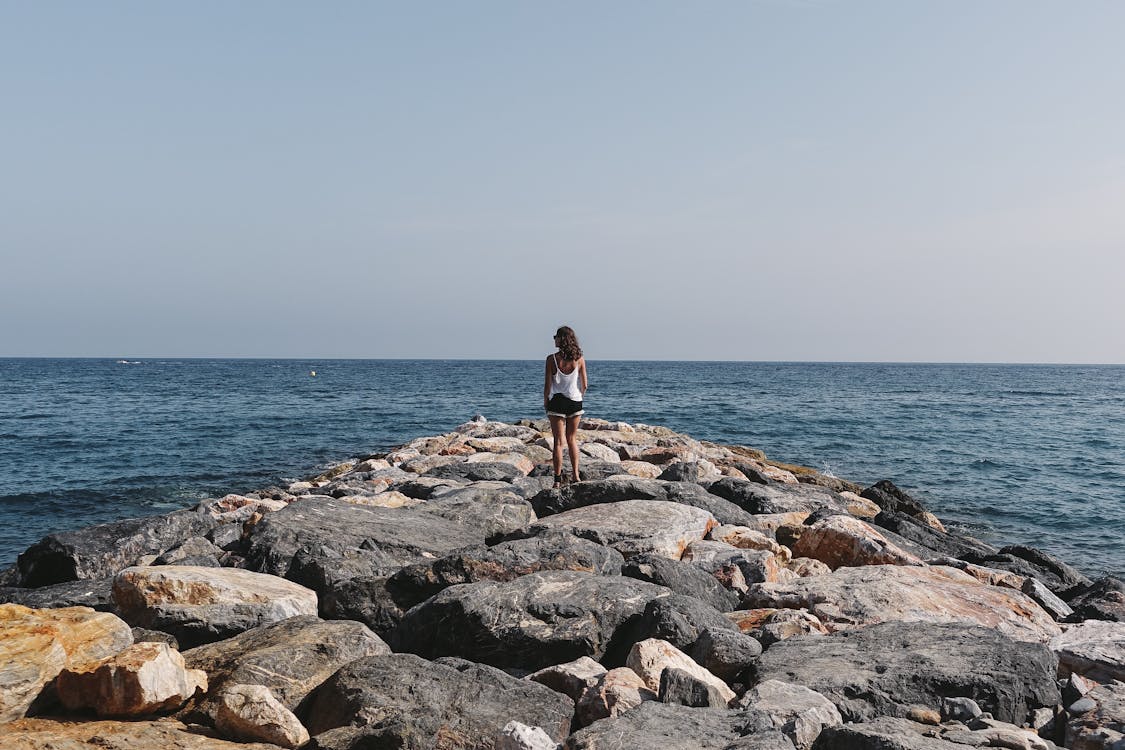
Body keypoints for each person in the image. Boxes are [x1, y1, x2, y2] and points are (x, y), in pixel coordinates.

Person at [544, 326, 588, 488]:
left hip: (557, 402)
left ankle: (557, 480)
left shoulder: (551, 359)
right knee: (572, 440)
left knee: (558, 442)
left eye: (556, 336)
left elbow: (548, 385)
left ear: (561, 339)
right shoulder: (579, 359)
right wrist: (579, 396)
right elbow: (585, 384)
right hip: (575, 401)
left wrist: (546, 402)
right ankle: (575, 475)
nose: (554, 339)